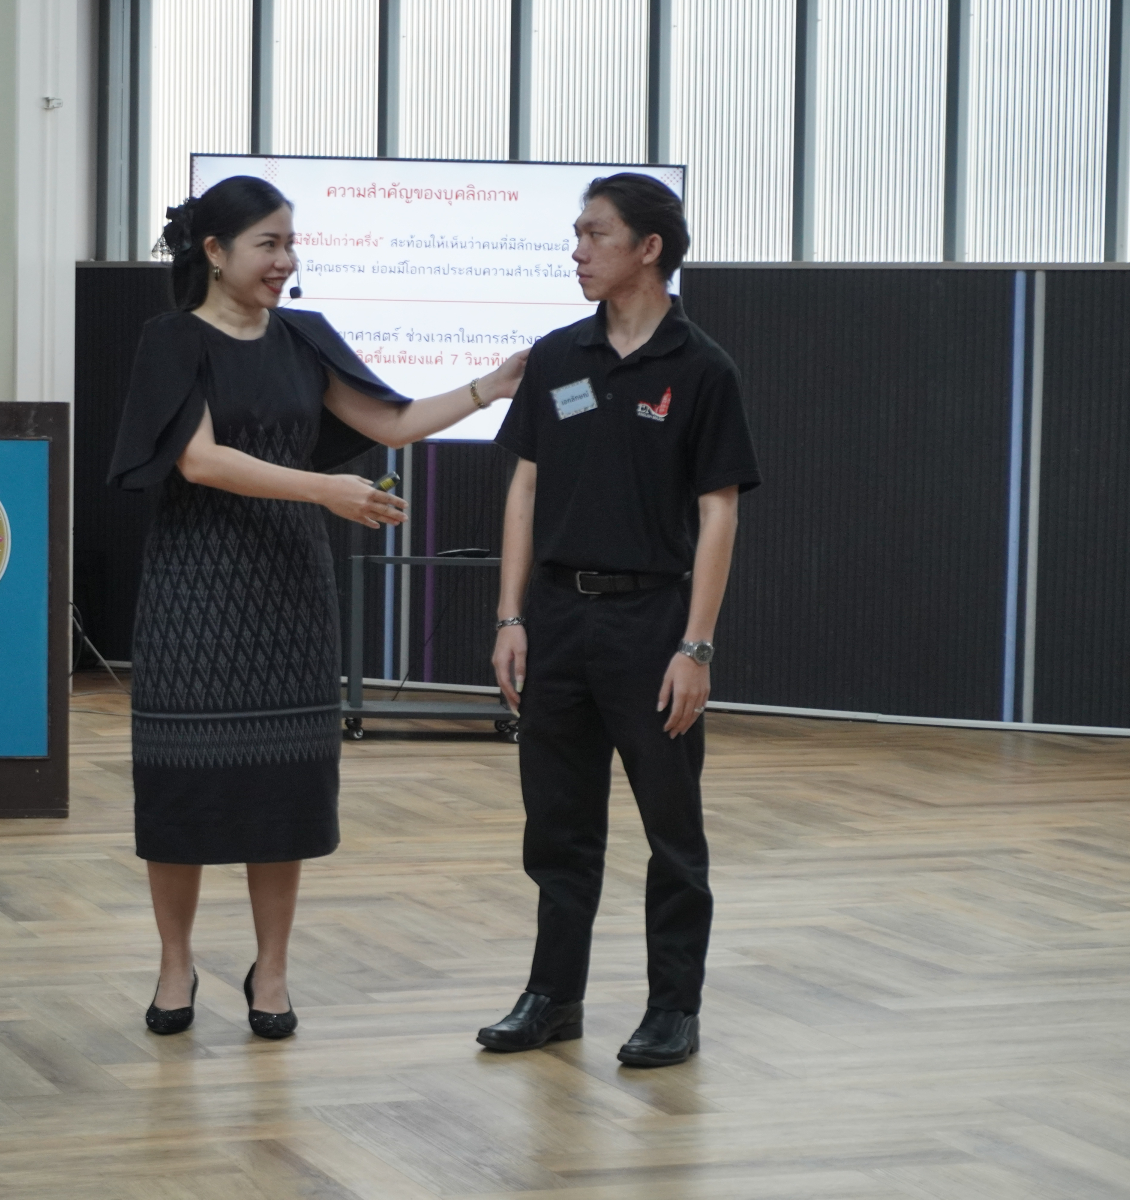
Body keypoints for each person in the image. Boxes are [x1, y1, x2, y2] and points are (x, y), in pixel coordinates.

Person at [107, 176, 529, 1040]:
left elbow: (393, 423)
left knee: (284, 784)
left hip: (290, 590)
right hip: (194, 586)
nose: (286, 260)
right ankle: (175, 963)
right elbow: (200, 462)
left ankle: (272, 970)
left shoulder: (303, 337)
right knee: (182, 781)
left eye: (291, 243)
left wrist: (489, 387)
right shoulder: (171, 340)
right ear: (215, 251)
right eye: (268, 244)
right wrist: (326, 490)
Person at [476, 173, 760, 1067]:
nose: (577, 250)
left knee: (672, 831)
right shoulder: (557, 356)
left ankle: (674, 1005)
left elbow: (719, 511)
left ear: (649, 247)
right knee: (557, 826)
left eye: (594, 234)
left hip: (652, 624)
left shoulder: (703, 368)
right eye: (576, 234)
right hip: (556, 621)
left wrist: (696, 646)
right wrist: (510, 617)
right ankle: (552, 996)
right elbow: (524, 489)